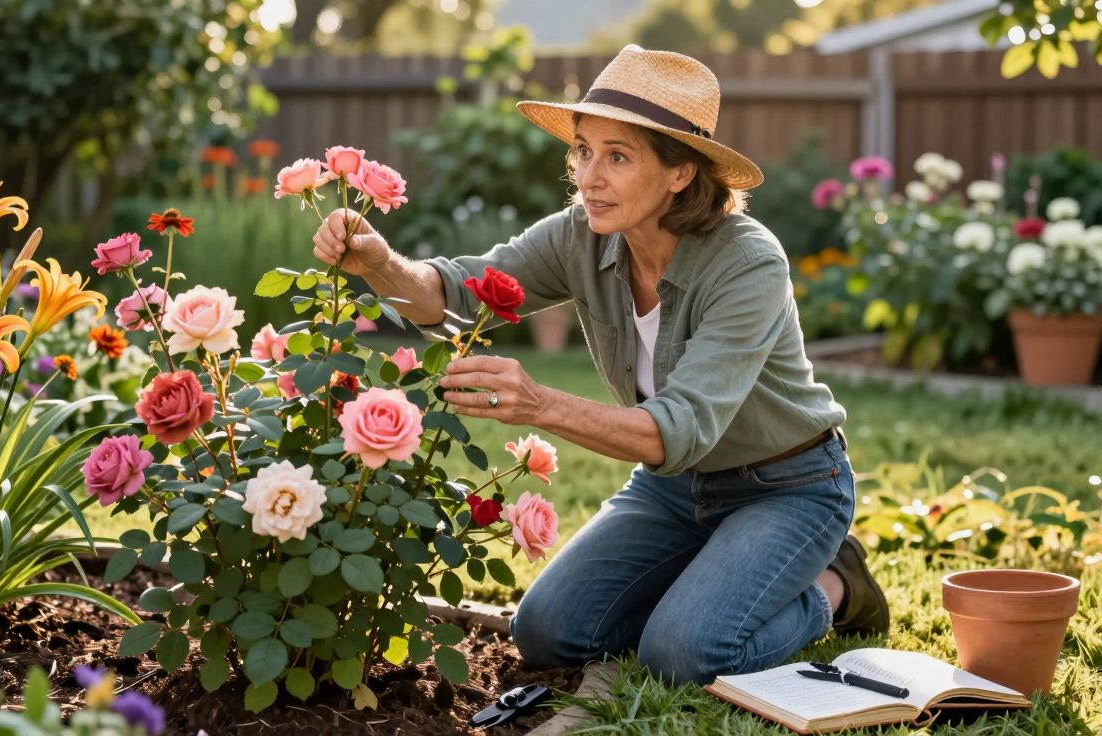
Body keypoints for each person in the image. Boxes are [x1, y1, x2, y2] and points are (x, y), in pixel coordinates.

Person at [311, 45, 889, 683]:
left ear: (680, 173)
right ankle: (710, 574)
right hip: (673, 490)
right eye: (583, 150)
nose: (589, 177)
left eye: (617, 156)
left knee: (682, 655)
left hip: (784, 487)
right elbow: (459, 288)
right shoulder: (581, 234)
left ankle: (832, 586)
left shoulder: (748, 263)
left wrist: (540, 405)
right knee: (547, 632)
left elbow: (678, 429)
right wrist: (380, 264)